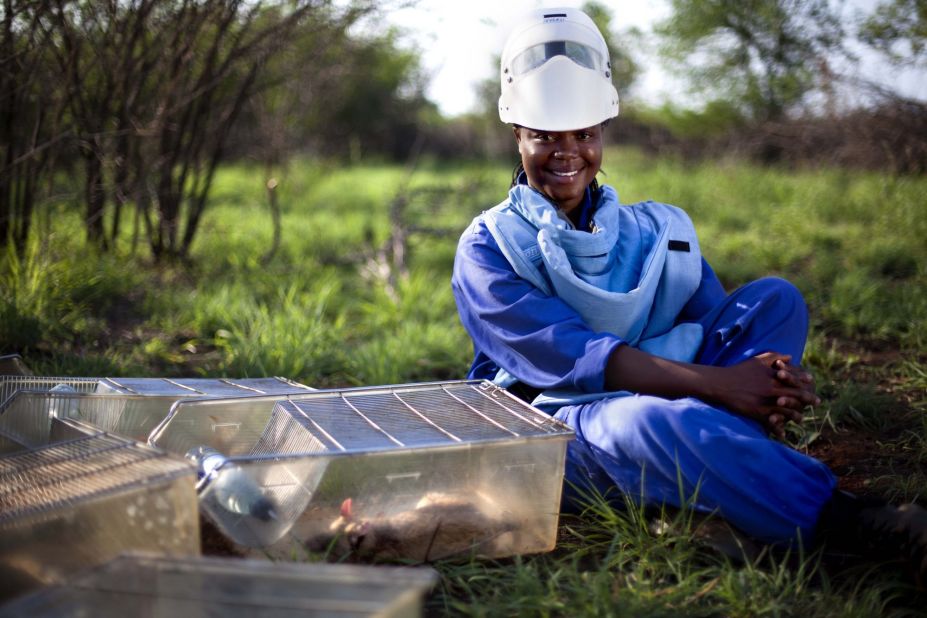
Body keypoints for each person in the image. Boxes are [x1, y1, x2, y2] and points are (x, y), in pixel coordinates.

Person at [451, 6, 927, 579]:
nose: (566, 151)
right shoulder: (489, 246)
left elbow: (711, 325)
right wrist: (725, 385)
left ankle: (705, 496)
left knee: (776, 299)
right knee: (644, 424)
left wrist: (763, 379)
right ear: (516, 138)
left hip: (671, 398)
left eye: (584, 134)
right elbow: (579, 359)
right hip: (555, 433)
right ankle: (852, 518)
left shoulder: (655, 231)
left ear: (603, 134)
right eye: (544, 136)